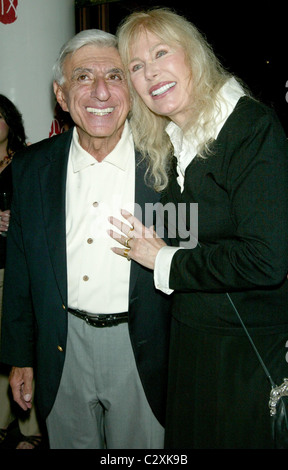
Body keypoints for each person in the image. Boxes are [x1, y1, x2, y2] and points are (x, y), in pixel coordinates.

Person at [108, 8, 288, 448]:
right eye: (136, 66)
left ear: (194, 56)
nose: (150, 73)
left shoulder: (250, 128)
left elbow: (266, 260)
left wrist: (160, 258)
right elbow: (193, 235)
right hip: (191, 342)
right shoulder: (171, 145)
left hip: (245, 351)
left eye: (161, 53)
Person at [0, 29, 170, 449]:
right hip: (61, 345)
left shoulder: (168, 164)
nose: (100, 92)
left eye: (114, 76)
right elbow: (20, 271)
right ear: (61, 94)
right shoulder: (31, 168)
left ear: (131, 91)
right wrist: (21, 358)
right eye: (83, 78)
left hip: (145, 349)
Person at [0, 94, 44, 449]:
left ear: (10, 123)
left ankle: (30, 431)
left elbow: (41, 216)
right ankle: (2, 423)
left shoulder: (27, 162)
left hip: (14, 270)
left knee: (19, 346)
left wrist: (17, 221)